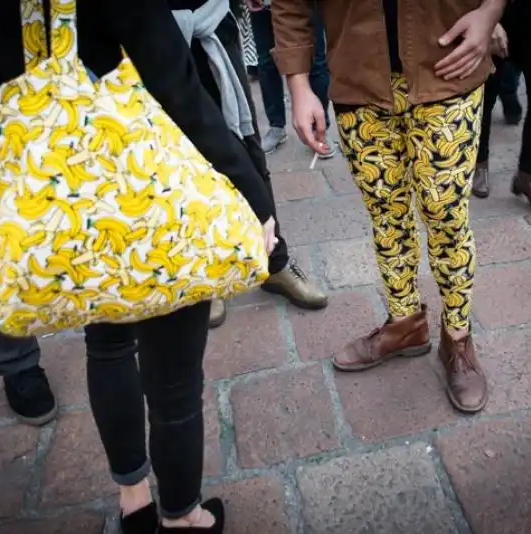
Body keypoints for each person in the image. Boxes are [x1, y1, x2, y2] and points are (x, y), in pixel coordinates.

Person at [0, 1, 279, 531]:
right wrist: (253, 194)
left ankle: (134, 502)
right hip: (151, 177)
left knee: (106, 344)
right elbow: (176, 85)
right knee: (173, 377)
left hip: (44, 179)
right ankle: (181, 517)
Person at [273, 0, 505, 414]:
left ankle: (457, 335)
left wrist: (491, 12)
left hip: (447, 68)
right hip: (358, 75)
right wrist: (299, 84)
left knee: (446, 216)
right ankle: (405, 325)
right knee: (386, 216)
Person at [170, 0, 329, 328]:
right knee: (184, 160)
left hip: (212, 18)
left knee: (247, 146)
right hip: (154, 30)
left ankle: (274, 261)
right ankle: (207, 274)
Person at [472, 0, 531, 212]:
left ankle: (527, 175)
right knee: (486, 94)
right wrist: (488, 16)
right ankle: (479, 164)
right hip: (496, 15)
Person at [247, 0, 334, 156]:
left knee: (317, 60)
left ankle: (320, 126)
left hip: (307, 5)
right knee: (266, 62)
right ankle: (276, 126)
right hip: (263, 6)